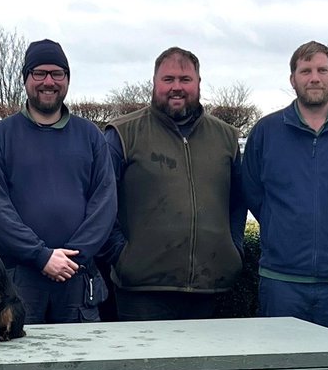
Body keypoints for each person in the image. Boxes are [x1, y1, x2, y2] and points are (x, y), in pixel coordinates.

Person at [243, 41, 328, 337]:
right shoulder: (266, 132)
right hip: (281, 282)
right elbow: (252, 191)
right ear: (292, 79)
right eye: (305, 71)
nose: (314, 77)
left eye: (322, 70)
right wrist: (280, 224)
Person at [0, 39, 116, 324]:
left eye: (57, 74)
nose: (48, 81)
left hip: (78, 277)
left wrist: (74, 257)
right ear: (26, 79)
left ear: (67, 79)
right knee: (19, 364)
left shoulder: (90, 136)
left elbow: (105, 203)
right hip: (19, 278)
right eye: (39, 73)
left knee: (82, 364)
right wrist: (40, 255)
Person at [104, 47, 246, 320]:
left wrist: (235, 249)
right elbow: (101, 202)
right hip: (141, 293)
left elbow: (239, 202)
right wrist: (122, 256)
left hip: (211, 289)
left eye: (185, 79)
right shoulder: (122, 134)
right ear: (154, 83)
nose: (176, 87)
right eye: (168, 79)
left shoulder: (226, 137)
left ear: (198, 83)